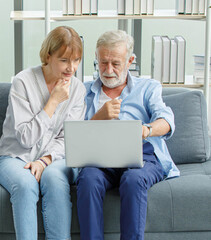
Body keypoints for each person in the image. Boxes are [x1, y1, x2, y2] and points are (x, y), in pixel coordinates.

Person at [76, 30, 177, 240]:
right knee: (88, 179)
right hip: (99, 158)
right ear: (96, 58)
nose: (109, 70)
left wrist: (146, 129)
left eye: (116, 63)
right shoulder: (83, 92)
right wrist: (98, 117)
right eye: (103, 62)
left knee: (133, 180)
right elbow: (73, 136)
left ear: (130, 60)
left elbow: (167, 121)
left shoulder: (148, 87)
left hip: (142, 156)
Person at [0, 26, 86, 240]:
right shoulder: (22, 82)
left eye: (76, 60)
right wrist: (52, 102)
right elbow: (25, 138)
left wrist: (45, 161)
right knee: (26, 185)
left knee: (55, 180)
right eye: (64, 60)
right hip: (16, 157)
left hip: (54, 159)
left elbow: (69, 139)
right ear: (48, 56)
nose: (71, 68)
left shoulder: (78, 90)